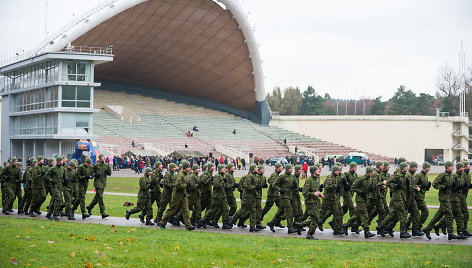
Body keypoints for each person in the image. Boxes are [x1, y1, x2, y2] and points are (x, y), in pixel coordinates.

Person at [422, 161, 461, 240]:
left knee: (439, 215)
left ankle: (428, 229)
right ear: (447, 167)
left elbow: (452, 186)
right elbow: (434, 184)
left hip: (448, 197)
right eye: (451, 166)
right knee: (449, 215)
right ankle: (450, 233)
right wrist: (443, 187)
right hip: (443, 198)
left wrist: (454, 186)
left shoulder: (452, 176)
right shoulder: (442, 175)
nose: (452, 167)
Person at [158, 160, 195, 231]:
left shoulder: (186, 175)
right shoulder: (180, 175)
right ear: (185, 168)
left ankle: (188, 225)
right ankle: (163, 222)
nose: (190, 168)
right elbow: (177, 185)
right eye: (188, 167)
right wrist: (186, 186)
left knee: (186, 210)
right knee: (172, 210)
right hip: (177, 196)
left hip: (183, 195)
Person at [343, 166, 376, 238]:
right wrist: (360, 192)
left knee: (357, 215)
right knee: (365, 215)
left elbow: (372, 187)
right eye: (371, 172)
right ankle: (366, 231)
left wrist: (371, 189)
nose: (372, 174)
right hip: (359, 199)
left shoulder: (370, 180)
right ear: (368, 172)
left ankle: (346, 225)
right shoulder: (361, 179)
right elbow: (353, 187)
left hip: (365, 199)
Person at [298, 164, 324, 239]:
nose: (318, 170)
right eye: (317, 170)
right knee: (316, 218)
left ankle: (301, 225)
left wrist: (320, 195)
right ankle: (309, 235)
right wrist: (313, 194)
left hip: (316, 201)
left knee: (315, 218)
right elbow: (305, 193)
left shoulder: (317, 178)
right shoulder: (309, 180)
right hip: (310, 202)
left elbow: (316, 190)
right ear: (313, 172)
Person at [87, 154, 111, 219]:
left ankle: (90, 207)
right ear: (100, 158)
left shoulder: (106, 165)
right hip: (98, 182)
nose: (103, 159)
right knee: (100, 197)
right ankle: (102, 212)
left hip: (103, 182)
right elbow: (91, 173)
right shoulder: (96, 165)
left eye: (104, 158)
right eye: (102, 158)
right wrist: (95, 174)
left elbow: (110, 173)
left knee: (97, 197)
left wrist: (108, 172)